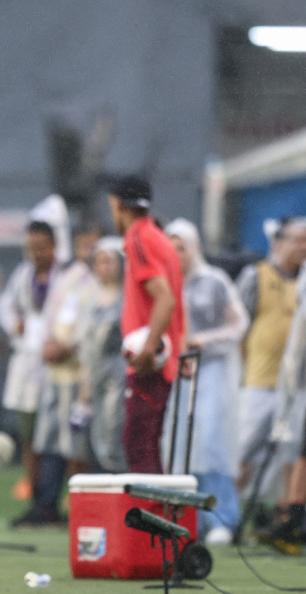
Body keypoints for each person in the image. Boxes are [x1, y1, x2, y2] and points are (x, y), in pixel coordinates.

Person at [163, 219, 248, 545]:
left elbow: (238, 323)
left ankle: (223, 517)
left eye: (181, 248)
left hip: (210, 370)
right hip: (179, 372)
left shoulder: (214, 281)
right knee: (182, 442)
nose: (177, 254)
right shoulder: (167, 284)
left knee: (212, 440)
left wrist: (203, 341)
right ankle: (189, 519)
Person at [12, 222, 100, 527]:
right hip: (56, 375)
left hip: (84, 376)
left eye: (93, 246)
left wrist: (67, 346)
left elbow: (97, 325)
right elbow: (51, 313)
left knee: (80, 447)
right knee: (50, 442)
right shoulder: (70, 277)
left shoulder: (105, 279)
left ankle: (85, 512)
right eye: (83, 246)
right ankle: (46, 506)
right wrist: (49, 341)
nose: (87, 253)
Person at [108, 175, 183, 474]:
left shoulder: (138, 238)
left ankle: (149, 518)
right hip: (162, 360)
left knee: (138, 444)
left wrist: (148, 350)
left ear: (117, 204)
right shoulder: (157, 236)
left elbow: (165, 300)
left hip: (149, 363)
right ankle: (155, 516)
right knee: (148, 443)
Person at [235, 218, 306, 507]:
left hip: (294, 386)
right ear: (279, 242)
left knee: (288, 454)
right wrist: (243, 369)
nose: (302, 247)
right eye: (297, 240)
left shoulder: (303, 282)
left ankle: (278, 516)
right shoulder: (257, 276)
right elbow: (240, 327)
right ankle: (226, 514)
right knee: (243, 451)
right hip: (258, 381)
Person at [0, 218, 60, 503]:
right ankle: (36, 497)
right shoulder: (23, 275)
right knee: (29, 436)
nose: (36, 253)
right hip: (27, 365)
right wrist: (15, 325)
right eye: (31, 247)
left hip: (57, 366)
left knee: (57, 438)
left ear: (54, 247)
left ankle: (55, 498)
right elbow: (6, 308)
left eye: (41, 247)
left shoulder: (65, 278)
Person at [77, 236, 128, 473]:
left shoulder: (127, 299)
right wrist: (85, 381)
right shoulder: (90, 298)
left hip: (118, 375)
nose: (104, 267)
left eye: (109, 262)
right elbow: (86, 344)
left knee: (115, 428)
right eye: (99, 262)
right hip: (95, 376)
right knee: (96, 434)